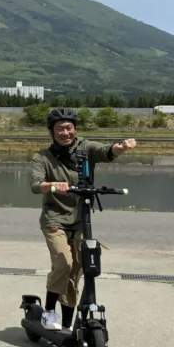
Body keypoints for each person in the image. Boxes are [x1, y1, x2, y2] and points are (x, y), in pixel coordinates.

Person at [30, 107, 137, 330]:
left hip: (81, 219)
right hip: (55, 219)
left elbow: (106, 151)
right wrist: (51, 185)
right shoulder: (42, 158)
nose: (65, 132)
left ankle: (67, 322)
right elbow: (35, 184)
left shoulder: (85, 148)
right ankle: (49, 312)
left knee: (77, 270)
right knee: (64, 262)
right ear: (52, 132)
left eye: (69, 128)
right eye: (59, 128)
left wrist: (120, 148)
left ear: (75, 129)